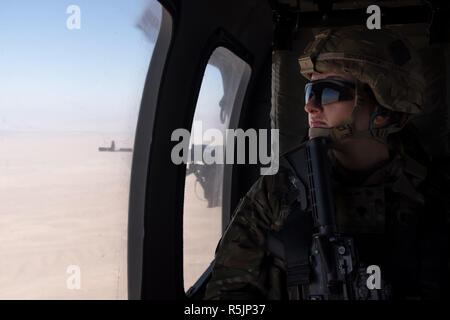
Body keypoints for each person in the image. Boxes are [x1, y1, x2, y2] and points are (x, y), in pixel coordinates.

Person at [203, 26, 448, 300]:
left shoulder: (434, 195)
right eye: (310, 92)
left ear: (386, 111)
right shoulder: (277, 192)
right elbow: (225, 296)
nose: (311, 107)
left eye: (329, 92)